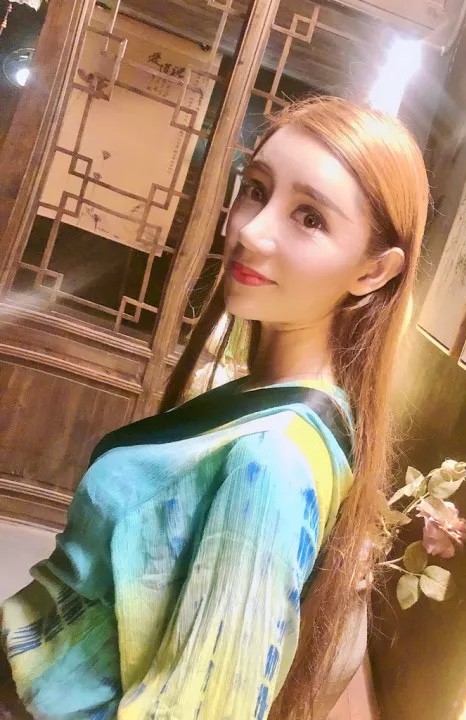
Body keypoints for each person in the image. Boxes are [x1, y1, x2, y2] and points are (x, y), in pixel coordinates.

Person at [0, 96, 429, 719]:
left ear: (373, 272)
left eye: (310, 217)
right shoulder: (263, 395)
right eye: (256, 190)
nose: (251, 230)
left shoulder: (273, 459)